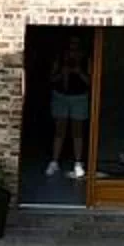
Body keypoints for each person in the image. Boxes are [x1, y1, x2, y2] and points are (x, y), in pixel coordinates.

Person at [47, 41, 91, 178]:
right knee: (60, 130)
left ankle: (78, 163)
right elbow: (51, 78)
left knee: (77, 131)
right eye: (70, 49)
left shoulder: (86, 61)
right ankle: (54, 162)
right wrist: (62, 73)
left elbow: (91, 81)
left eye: (76, 49)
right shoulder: (59, 59)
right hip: (61, 96)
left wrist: (79, 72)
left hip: (79, 97)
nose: (72, 53)